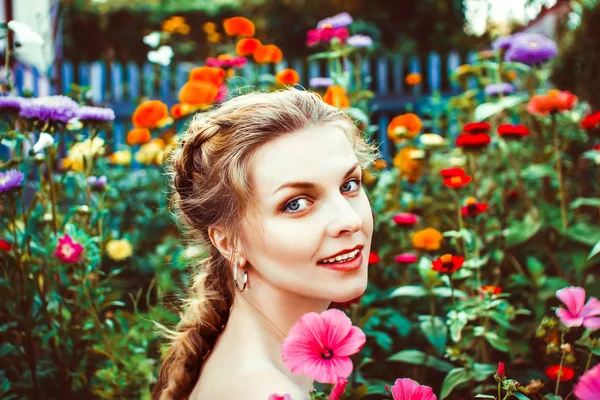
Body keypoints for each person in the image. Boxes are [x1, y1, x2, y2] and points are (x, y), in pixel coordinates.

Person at [152, 88, 379, 400]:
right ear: (228, 242)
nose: (349, 221)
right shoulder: (265, 391)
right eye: (296, 204)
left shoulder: (251, 359)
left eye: (349, 185)